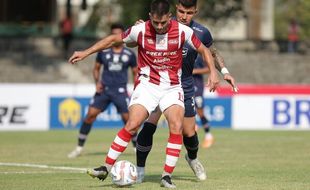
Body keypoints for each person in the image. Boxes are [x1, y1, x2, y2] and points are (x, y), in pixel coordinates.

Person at [68, 0, 220, 188]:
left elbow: (204, 50)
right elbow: (111, 40)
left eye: (163, 23)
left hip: (172, 88)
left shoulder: (183, 31)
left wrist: (213, 72)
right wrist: (86, 52)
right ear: (150, 17)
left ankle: (166, 176)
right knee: (132, 124)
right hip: (147, 86)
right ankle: (106, 167)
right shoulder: (139, 30)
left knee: (176, 126)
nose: (159, 27)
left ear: (169, 18)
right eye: (155, 23)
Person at [135, 0, 237, 183]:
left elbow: (212, 53)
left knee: (189, 133)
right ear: (176, 9)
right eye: (181, 11)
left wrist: (224, 72)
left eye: (189, 13)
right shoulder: (162, 24)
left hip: (185, 85)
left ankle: (192, 158)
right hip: (159, 83)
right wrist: (139, 28)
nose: (184, 16)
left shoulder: (201, 32)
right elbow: (139, 37)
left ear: (195, 12)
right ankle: (140, 169)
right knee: (149, 125)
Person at [67, 23, 138, 158]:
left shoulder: (129, 54)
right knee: (90, 116)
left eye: (118, 34)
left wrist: (136, 88)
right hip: (104, 90)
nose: (116, 37)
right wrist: (97, 82)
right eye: (113, 34)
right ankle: (78, 148)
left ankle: (136, 148)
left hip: (120, 90)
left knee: (129, 120)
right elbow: (96, 69)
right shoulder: (103, 53)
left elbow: (135, 72)